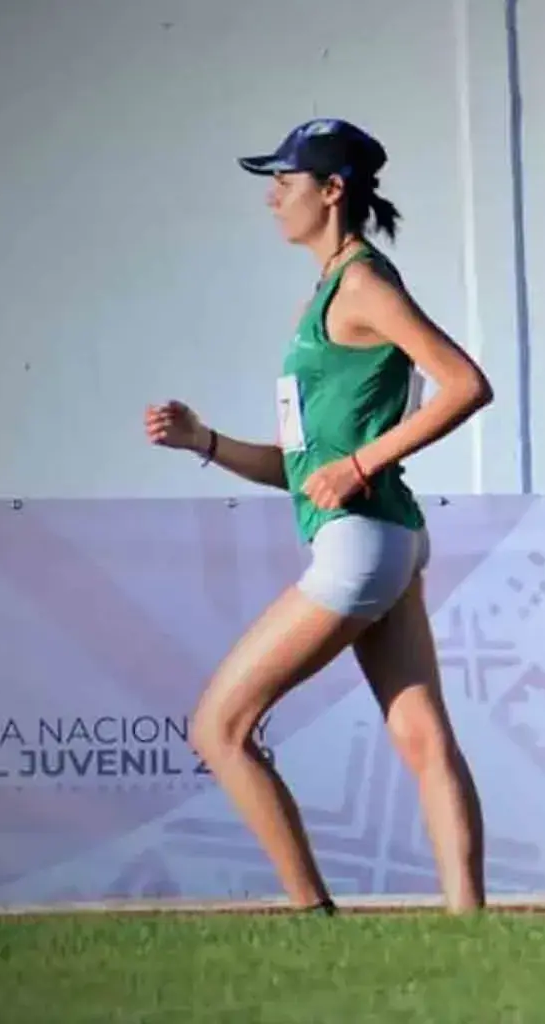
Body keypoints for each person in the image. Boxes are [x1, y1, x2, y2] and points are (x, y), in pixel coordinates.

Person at [143, 118, 491, 915]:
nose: (272, 198)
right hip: (387, 537)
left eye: (285, 182)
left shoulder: (363, 284)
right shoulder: (331, 289)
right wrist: (207, 442)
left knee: (218, 729)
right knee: (423, 739)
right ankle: (472, 927)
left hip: (364, 544)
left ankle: (310, 915)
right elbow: (308, 473)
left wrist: (362, 462)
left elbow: (467, 385)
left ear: (332, 192)